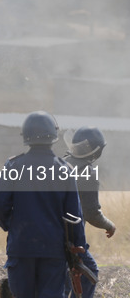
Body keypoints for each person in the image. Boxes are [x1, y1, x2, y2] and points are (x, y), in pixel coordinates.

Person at [0, 111, 86, 298]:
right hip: (54, 250)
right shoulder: (64, 169)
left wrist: (13, 225)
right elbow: (75, 217)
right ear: (53, 136)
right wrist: (79, 253)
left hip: (21, 247)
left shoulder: (13, 166)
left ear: (25, 136)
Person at [64, 126, 115, 298]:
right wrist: (109, 225)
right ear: (97, 150)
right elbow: (91, 213)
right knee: (89, 270)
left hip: (44, 230)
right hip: (68, 237)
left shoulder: (61, 161)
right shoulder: (88, 172)